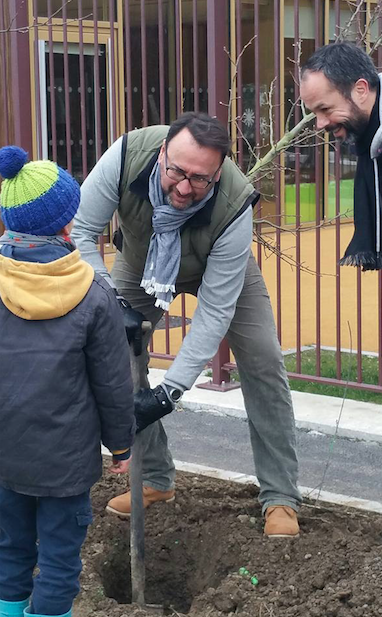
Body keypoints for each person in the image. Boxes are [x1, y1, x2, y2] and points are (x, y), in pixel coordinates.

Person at [72, 111, 302, 538]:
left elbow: (214, 311)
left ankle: (281, 496)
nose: (183, 187)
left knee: (264, 362)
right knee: (119, 360)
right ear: (162, 152)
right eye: (176, 171)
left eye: (199, 179)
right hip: (142, 263)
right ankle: (156, 480)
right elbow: (83, 230)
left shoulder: (235, 202)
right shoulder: (126, 155)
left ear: (217, 175)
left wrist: (168, 392)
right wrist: (110, 298)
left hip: (216, 265)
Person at [0, 146, 135, 617]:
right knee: (59, 561)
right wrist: (121, 446)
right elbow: (113, 383)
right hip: (66, 463)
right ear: (65, 225)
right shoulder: (93, 293)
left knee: (11, 552)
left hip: (5, 456)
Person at [300, 41, 382, 270]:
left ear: (361, 90)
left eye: (325, 109)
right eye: (314, 113)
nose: (320, 124)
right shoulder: (370, 145)